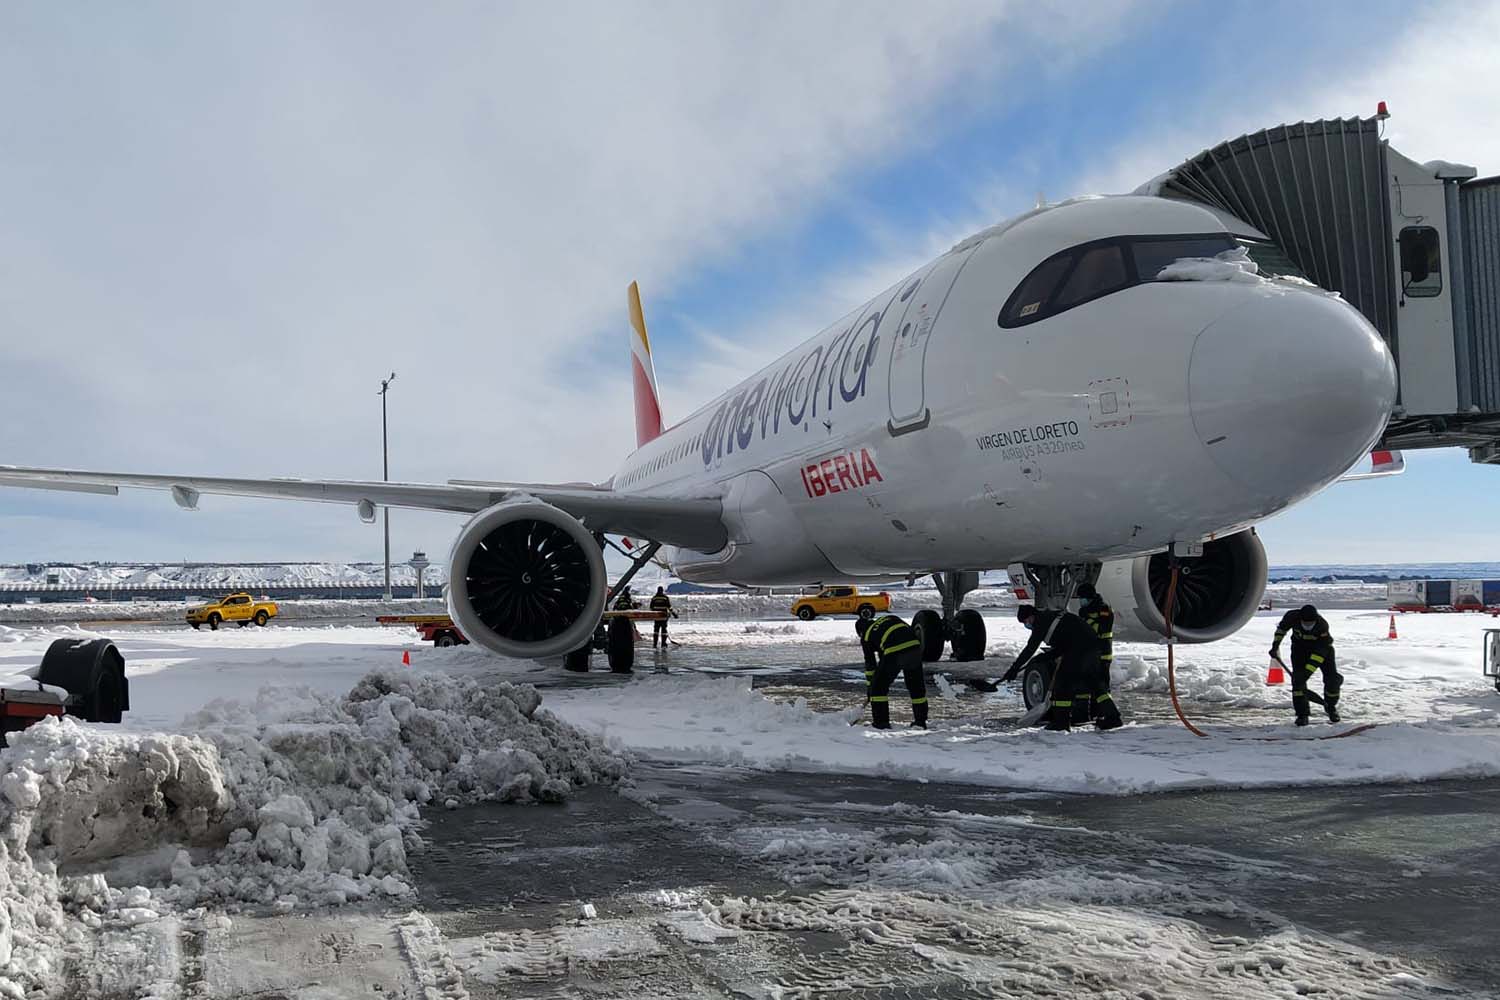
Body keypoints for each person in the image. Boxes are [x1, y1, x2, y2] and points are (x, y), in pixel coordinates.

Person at [1000, 604, 1099, 732]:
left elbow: (1030, 648)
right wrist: (1044, 657)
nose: (1026, 624)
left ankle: (1061, 723)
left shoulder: (1041, 622)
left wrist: (1014, 668)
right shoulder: (1047, 618)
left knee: (1062, 683)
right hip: (1087, 645)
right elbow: (1063, 645)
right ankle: (1104, 716)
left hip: (1081, 647)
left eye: (1026, 621)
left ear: (1031, 616)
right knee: (1088, 682)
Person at [1270, 603, 1342, 725]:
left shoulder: (1322, 625)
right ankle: (1302, 715)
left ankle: (1330, 706)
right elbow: (1281, 630)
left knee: (1332, 680)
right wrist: (1275, 646)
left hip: (1322, 652)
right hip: (1299, 650)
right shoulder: (1292, 617)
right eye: (1305, 623)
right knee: (1298, 683)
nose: (1308, 626)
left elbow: (1318, 656)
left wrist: (1307, 672)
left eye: (1310, 623)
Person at [856, 615, 929, 729]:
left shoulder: (866, 636)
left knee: (878, 688)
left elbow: (870, 665)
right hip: (914, 648)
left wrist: (871, 687)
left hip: (894, 651)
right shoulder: (889, 618)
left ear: (861, 632)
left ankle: (881, 723)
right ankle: (920, 722)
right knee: (916, 687)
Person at [1077, 583, 1124, 731]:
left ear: (1089, 597)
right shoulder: (1086, 610)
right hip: (1089, 654)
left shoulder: (1104, 609)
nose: (1081, 601)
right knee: (1089, 684)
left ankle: (1104, 714)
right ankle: (1091, 715)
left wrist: (1086, 621)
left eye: (1082, 598)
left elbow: (1102, 628)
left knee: (1101, 686)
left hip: (1103, 653)